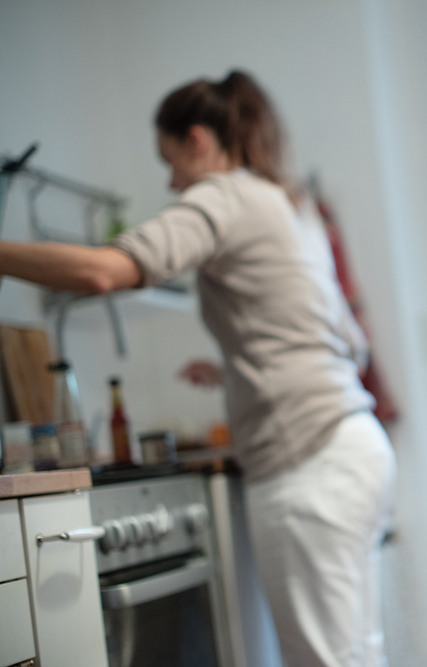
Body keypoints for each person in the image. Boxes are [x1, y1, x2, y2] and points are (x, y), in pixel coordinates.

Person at [0, 70, 396, 667]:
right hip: (355, 447)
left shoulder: (224, 195)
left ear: (198, 140)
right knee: (357, 653)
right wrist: (238, 370)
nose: (172, 182)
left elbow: (104, 272)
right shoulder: (289, 203)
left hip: (309, 463)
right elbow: (339, 341)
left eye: (170, 161)